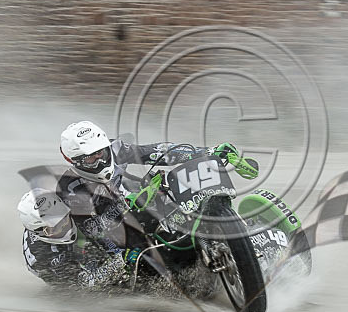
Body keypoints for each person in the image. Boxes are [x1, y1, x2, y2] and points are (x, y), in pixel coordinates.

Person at [19, 120, 242, 287]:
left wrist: (206, 152)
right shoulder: (68, 196)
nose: (99, 160)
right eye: (90, 159)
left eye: (101, 153)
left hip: (123, 202)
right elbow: (93, 233)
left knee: (163, 188)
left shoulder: (114, 150)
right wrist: (119, 260)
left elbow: (156, 151)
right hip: (101, 246)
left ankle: (222, 227)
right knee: (138, 268)